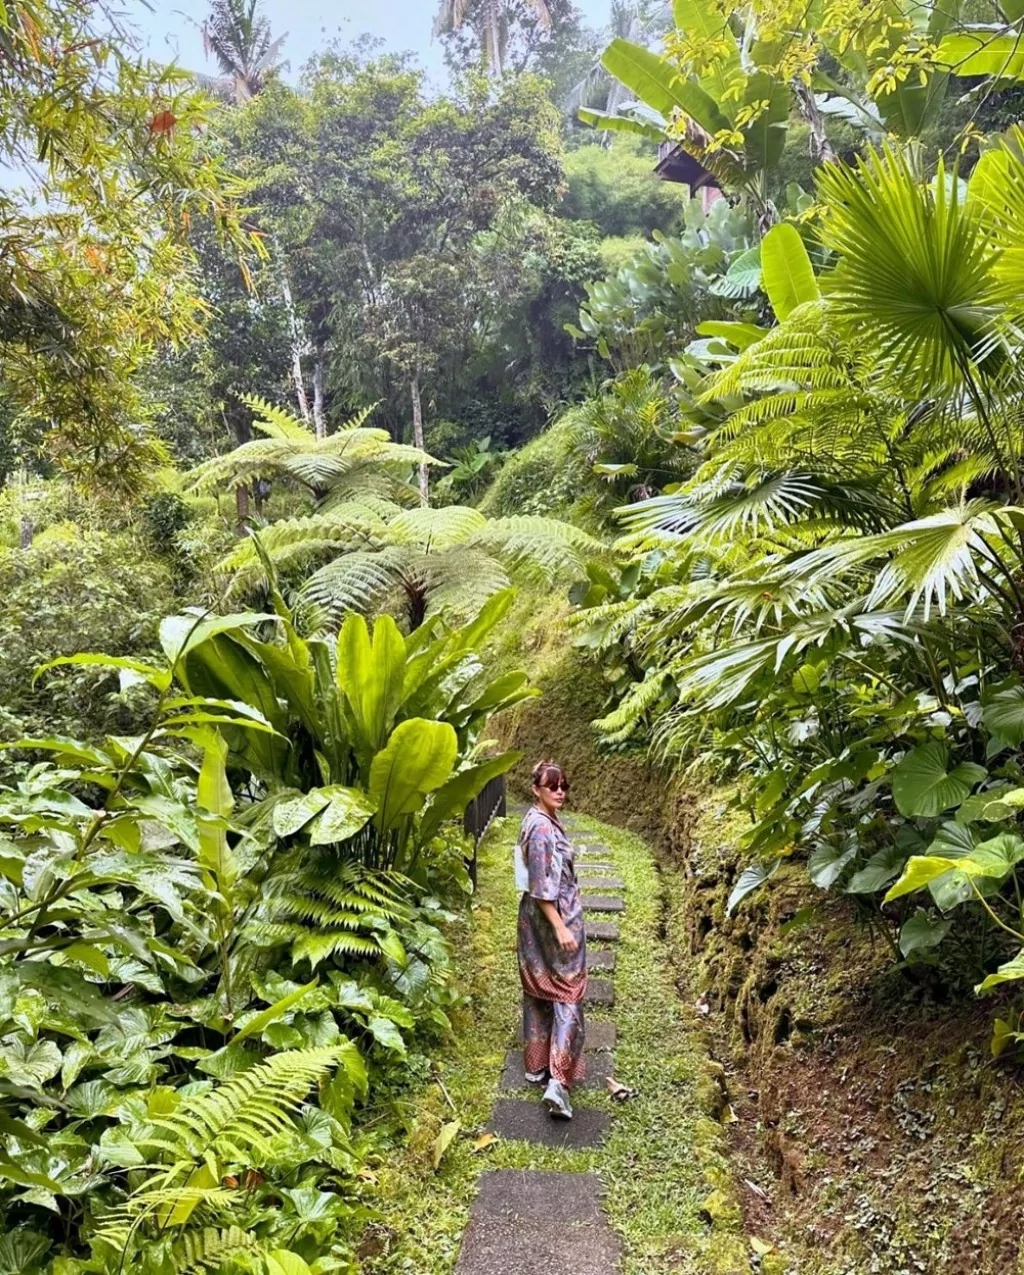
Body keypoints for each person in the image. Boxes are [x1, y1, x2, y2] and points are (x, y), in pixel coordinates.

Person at [515, 759, 587, 1120]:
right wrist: (560, 927)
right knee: (569, 994)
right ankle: (558, 1082)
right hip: (553, 919)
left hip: (532, 920)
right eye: (551, 786)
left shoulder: (534, 820)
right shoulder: (542, 829)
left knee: (539, 990)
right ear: (536, 789)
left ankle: (536, 1064)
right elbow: (543, 888)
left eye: (564, 785)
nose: (559, 791)